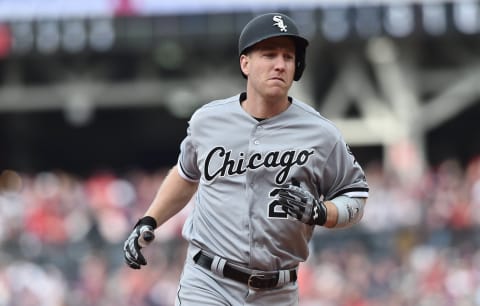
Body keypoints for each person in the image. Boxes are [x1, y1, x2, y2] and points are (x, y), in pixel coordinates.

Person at [124, 12, 369, 305]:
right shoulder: (208, 121)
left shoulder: (321, 133)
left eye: (288, 57)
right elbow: (186, 174)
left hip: (277, 291)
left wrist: (322, 212)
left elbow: (355, 196)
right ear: (245, 63)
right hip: (208, 282)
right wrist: (149, 219)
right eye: (269, 54)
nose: (280, 64)